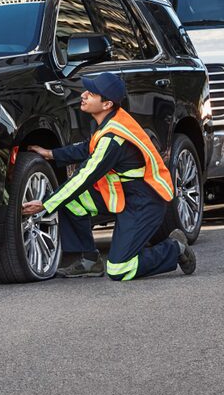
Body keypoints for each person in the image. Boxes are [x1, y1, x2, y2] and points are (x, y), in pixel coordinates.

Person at [21, 72, 196, 281]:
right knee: (69, 202)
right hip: (125, 194)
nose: (84, 95)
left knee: (119, 269)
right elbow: (89, 147)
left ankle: (174, 248)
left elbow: (83, 177)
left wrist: (46, 203)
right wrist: (51, 154)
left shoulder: (113, 139)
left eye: (92, 93)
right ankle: (89, 261)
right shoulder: (109, 120)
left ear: (106, 104)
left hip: (145, 202)